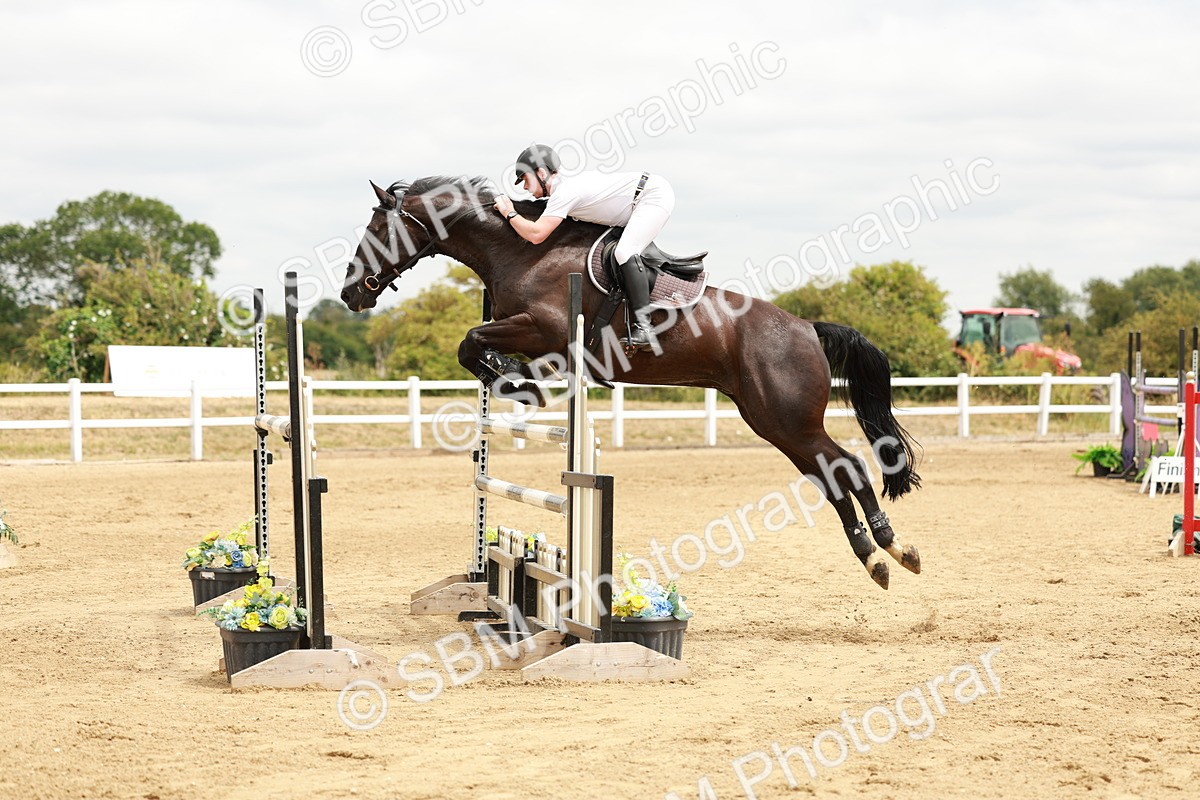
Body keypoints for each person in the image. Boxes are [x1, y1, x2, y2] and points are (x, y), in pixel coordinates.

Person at [492, 144, 675, 350]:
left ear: (541, 173)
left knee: (625, 252)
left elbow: (536, 235)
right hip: (636, 200)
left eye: (525, 179)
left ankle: (645, 327)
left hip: (652, 196)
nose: (524, 187)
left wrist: (509, 213)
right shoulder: (563, 191)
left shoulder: (564, 192)